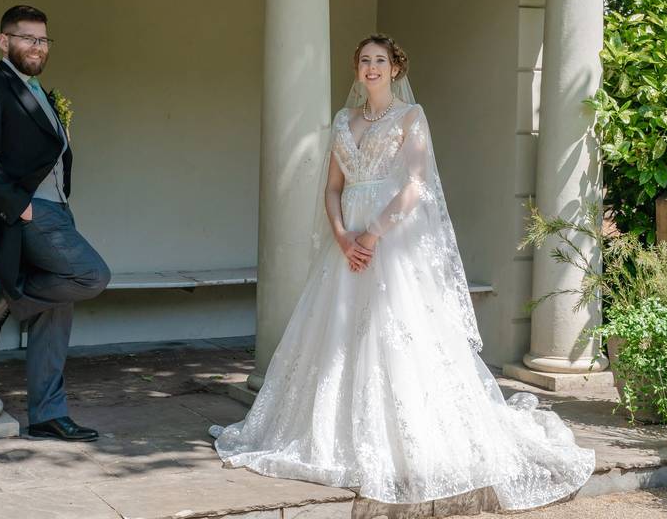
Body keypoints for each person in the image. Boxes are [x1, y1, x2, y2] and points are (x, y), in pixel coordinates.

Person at [212, 34, 595, 509]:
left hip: (389, 243)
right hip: (346, 244)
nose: (372, 68)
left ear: (395, 69)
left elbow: (416, 184)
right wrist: (341, 235)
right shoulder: (342, 120)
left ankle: (402, 440)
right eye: (364, 61)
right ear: (356, 69)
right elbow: (333, 187)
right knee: (336, 336)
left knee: (391, 333)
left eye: (381, 61)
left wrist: (371, 235)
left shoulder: (411, 117)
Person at [0, 5, 111, 442]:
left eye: (42, 40)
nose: (36, 47)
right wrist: (20, 206)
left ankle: (47, 413)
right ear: (5, 42)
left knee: (57, 309)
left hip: (59, 210)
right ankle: (5, 297)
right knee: (92, 274)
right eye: (27, 38)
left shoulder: (43, 93)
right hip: (30, 212)